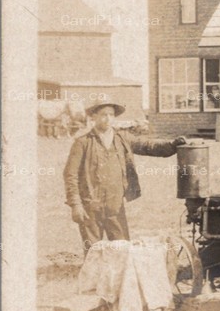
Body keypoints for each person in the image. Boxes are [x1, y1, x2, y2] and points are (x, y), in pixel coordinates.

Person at [63, 101, 185, 251]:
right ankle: (96, 275)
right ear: (94, 116)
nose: (108, 119)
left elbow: (147, 146)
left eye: (111, 115)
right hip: (91, 206)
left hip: (115, 205)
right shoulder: (82, 142)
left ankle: (119, 275)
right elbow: (70, 175)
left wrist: (172, 145)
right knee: (93, 251)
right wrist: (76, 205)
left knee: (123, 249)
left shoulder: (122, 139)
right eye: (103, 115)